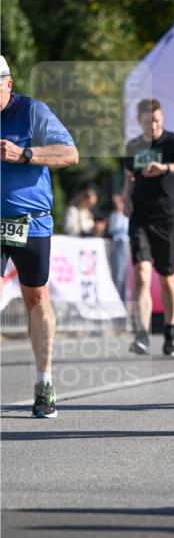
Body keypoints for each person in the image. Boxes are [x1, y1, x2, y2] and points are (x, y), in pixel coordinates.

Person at [0, 55, 79, 418]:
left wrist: (25, 153)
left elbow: (70, 153)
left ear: (9, 84)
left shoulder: (32, 111)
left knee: (36, 300)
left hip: (30, 222)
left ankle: (44, 380)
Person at [123, 97, 174, 357]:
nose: (153, 125)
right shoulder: (133, 146)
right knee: (142, 273)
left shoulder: (172, 142)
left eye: (156, 120)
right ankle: (142, 333)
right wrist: (126, 197)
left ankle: (170, 328)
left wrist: (166, 167)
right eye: (148, 121)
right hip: (140, 219)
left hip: (167, 218)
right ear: (140, 121)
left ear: (162, 118)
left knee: (167, 277)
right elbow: (129, 177)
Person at [107, 193, 130, 304]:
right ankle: (118, 300)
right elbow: (112, 229)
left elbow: (126, 230)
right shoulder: (114, 215)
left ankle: (125, 301)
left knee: (126, 275)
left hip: (126, 244)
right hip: (117, 244)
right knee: (118, 273)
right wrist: (118, 213)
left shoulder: (127, 215)